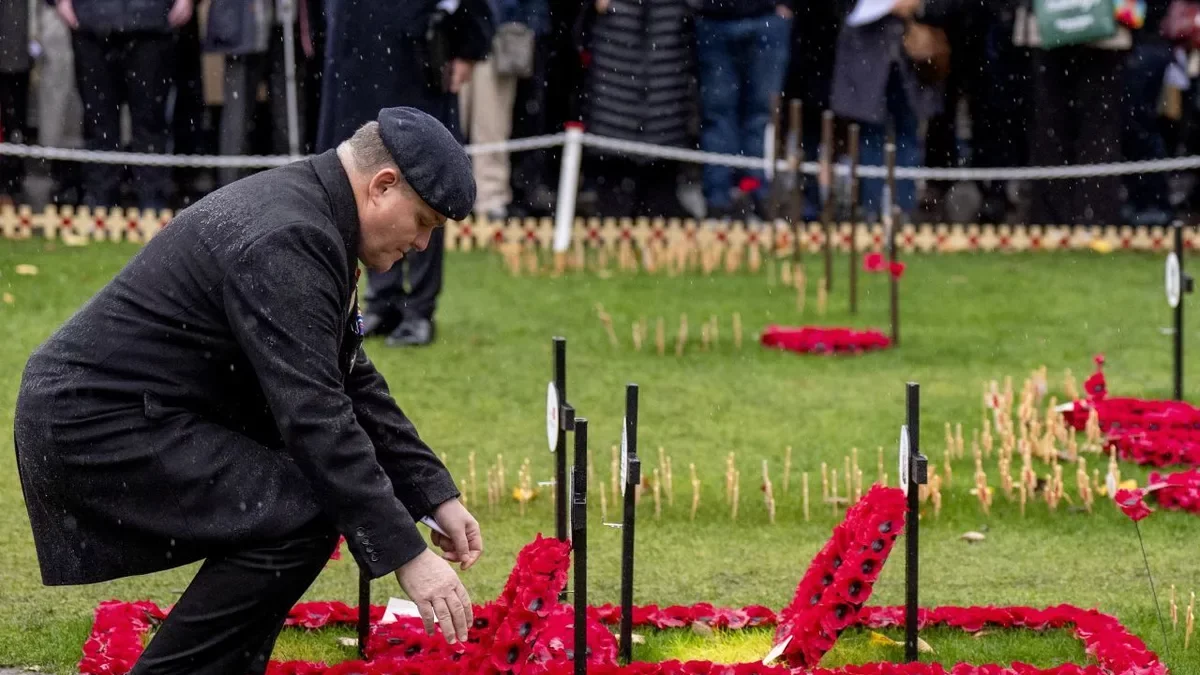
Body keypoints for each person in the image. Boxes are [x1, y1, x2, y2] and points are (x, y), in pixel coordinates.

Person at [13, 107, 484, 675]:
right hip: (96, 422)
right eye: (425, 221)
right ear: (383, 186)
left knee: (302, 504)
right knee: (305, 507)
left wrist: (433, 495)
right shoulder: (291, 235)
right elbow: (314, 414)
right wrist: (408, 556)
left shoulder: (313, 213)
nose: (424, 244)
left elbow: (349, 376)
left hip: (132, 410)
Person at [316, 0, 494, 347]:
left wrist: (468, 45)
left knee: (426, 182)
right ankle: (382, 298)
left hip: (415, 51)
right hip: (355, 47)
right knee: (364, 176)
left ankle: (420, 308)